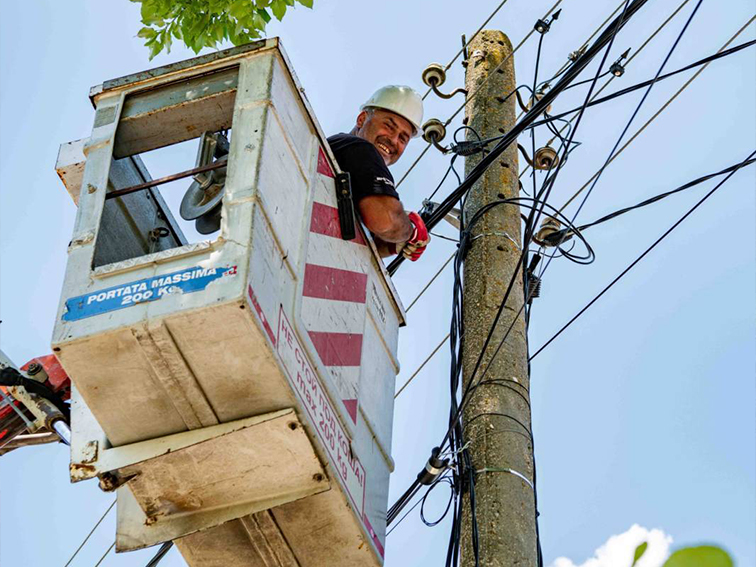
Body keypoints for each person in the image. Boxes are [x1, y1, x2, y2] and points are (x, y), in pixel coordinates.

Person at [327, 86, 430, 261]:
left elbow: (355, 235)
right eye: (389, 126)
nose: (393, 140)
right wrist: (411, 231)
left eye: (403, 138)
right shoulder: (359, 147)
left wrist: (391, 245)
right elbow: (385, 221)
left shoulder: (341, 152)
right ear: (362, 119)